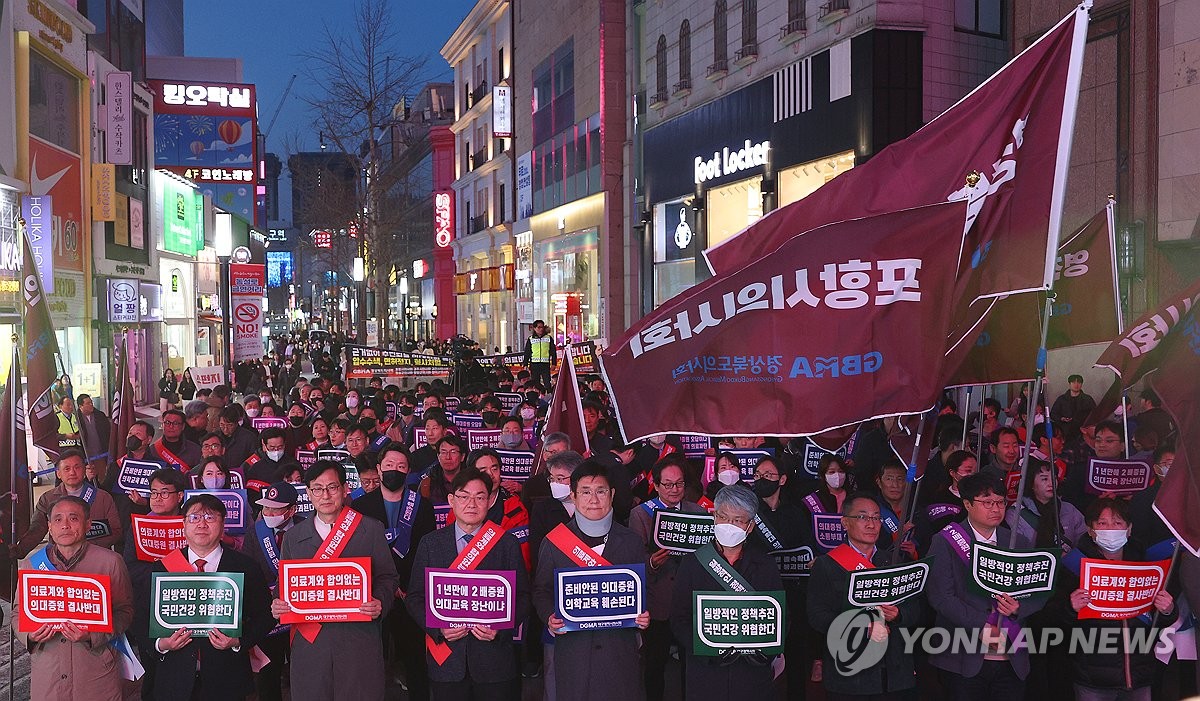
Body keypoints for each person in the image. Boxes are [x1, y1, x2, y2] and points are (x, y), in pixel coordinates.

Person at [271, 460, 400, 701]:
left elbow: (388, 577)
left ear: (344, 489)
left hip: (358, 638)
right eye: (317, 489)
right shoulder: (293, 536)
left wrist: (379, 601)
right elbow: (283, 585)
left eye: (332, 487)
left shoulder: (370, 529)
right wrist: (277, 602)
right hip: (311, 641)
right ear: (308, 493)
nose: (326, 495)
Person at [407, 468, 532, 701]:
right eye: (464, 496)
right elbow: (415, 598)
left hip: (494, 662)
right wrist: (437, 629)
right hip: (447, 661)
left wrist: (502, 628)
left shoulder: (506, 543)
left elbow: (524, 597)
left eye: (480, 497)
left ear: (489, 501)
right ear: (451, 501)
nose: (472, 504)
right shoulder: (431, 544)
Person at [534, 461, 650, 701]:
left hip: (619, 653)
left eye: (601, 491)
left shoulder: (631, 541)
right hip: (574, 652)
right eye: (585, 492)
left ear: (612, 494)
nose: (594, 499)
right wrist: (549, 616)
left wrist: (643, 615)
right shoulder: (554, 542)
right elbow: (541, 590)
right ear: (573, 496)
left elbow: (641, 592)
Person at [927, 473, 1044, 699]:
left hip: (1012, 660)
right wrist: (982, 625)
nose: (995, 509)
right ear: (968, 504)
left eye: (1000, 502)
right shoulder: (945, 541)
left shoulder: (1017, 542)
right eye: (987, 502)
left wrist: (1018, 608)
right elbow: (941, 597)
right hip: (962, 658)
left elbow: (1038, 593)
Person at [148, 494, 274, 700]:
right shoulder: (162, 568)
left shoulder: (245, 567)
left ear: (223, 525)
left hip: (227, 677)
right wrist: (162, 644)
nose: (202, 524)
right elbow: (141, 617)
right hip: (174, 678)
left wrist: (238, 641)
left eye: (210, 517)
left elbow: (265, 615)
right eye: (194, 518)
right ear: (183, 526)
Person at [13, 496, 134, 701]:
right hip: (48, 670)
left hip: (95, 672)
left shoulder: (110, 562)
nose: (65, 525)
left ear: (88, 525)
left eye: (74, 518)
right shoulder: (32, 565)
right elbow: (17, 612)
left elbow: (125, 611)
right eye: (58, 520)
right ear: (49, 527)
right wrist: (30, 635)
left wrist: (92, 635)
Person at [670, 484, 784, 700]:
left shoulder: (766, 564)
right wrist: (705, 650)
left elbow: (780, 617)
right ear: (714, 517)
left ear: (750, 527)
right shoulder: (693, 563)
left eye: (738, 520)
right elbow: (679, 619)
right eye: (723, 517)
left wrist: (765, 653)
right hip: (706, 674)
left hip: (752, 676)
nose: (729, 525)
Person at [1062, 498, 1177, 701]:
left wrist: (1168, 610)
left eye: (1117, 523)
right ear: (1090, 530)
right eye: (1102, 523)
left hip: (1139, 675)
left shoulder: (1147, 566)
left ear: (1129, 529)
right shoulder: (1074, 567)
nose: (1110, 529)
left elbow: (1159, 619)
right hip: (1093, 679)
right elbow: (1053, 618)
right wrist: (1071, 608)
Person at [807, 493, 919, 700]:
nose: (871, 524)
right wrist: (859, 627)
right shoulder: (827, 564)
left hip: (895, 674)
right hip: (850, 674)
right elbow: (817, 615)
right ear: (844, 523)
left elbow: (915, 610)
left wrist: (898, 614)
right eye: (863, 517)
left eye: (876, 518)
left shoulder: (894, 561)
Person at [351, 442, 437, 701]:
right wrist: (383, 587)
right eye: (389, 465)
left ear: (408, 471)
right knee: (370, 659)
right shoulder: (359, 507)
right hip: (373, 594)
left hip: (410, 592)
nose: (394, 471)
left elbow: (427, 550)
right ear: (378, 469)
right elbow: (356, 553)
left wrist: (407, 585)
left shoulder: (422, 506)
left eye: (401, 466)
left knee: (414, 659)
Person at [629, 454, 708, 701]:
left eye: (680, 484)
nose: (674, 490)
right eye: (668, 484)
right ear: (656, 485)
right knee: (655, 664)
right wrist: (651, 562)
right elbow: (633, 561)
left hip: (691, 600)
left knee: (692, 663)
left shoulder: (697, 512)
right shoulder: (640, 514)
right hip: (658, 600)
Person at [242, 482, 303, 701]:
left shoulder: (307, 529)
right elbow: (248, 570)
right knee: (268, 673)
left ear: (292, 510)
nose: (268, 513)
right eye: (266, 508)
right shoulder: (255, 532)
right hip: (269, 614)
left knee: (303, 671)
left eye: (275, 509)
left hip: (301, 614)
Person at [14, 449, 123, 557]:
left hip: (96, 558)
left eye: (77, 467)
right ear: (58, 474)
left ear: (85, 470)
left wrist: (87, 548)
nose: (72, 472)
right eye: (67, 469)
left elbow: (116, 530)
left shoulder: (102, 497)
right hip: (60, 560)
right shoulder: (48, 498)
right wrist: (20, 550)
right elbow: (37, 529)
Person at [1004, 458, 1087, 551]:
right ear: (1031, 483)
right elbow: (1015, 550)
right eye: (1044, 479)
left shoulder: (1069, 509)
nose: (1051, 484)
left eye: (1054, 478)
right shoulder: (1016, 513)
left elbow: (1084, 542)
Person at [1050, 374, 1097, 444]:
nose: (1076, 385)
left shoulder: (1087, 399)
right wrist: (1062, 418)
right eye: (1074, 382)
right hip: (1065, 431)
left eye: (1079, 382)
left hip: (1083, 432)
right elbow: (1053, 414)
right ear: (1069, 384)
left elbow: (1095, 415)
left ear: (1081, 384)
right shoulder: (1062, 399)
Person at [76, 393, 112, 479]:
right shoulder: (76, 418)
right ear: (81, 406)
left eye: (91, 402)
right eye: (88, 403)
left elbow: (108, 433)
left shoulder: (100, 416)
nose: (91, 404)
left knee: (102, 477)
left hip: (101, 454)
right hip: (85, 456)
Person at [523, 319, 556, 390]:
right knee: (535, 383)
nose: (541, 329)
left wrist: (554, 363)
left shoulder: (548, 338)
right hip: (534, 364)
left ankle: (548, 397)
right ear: (534, 328)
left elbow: (553, 352)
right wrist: (525, 364)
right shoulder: (531, 339)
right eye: (539, 327)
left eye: (542, 327)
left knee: (547, 383)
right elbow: (527, 352)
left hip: (545, 364)